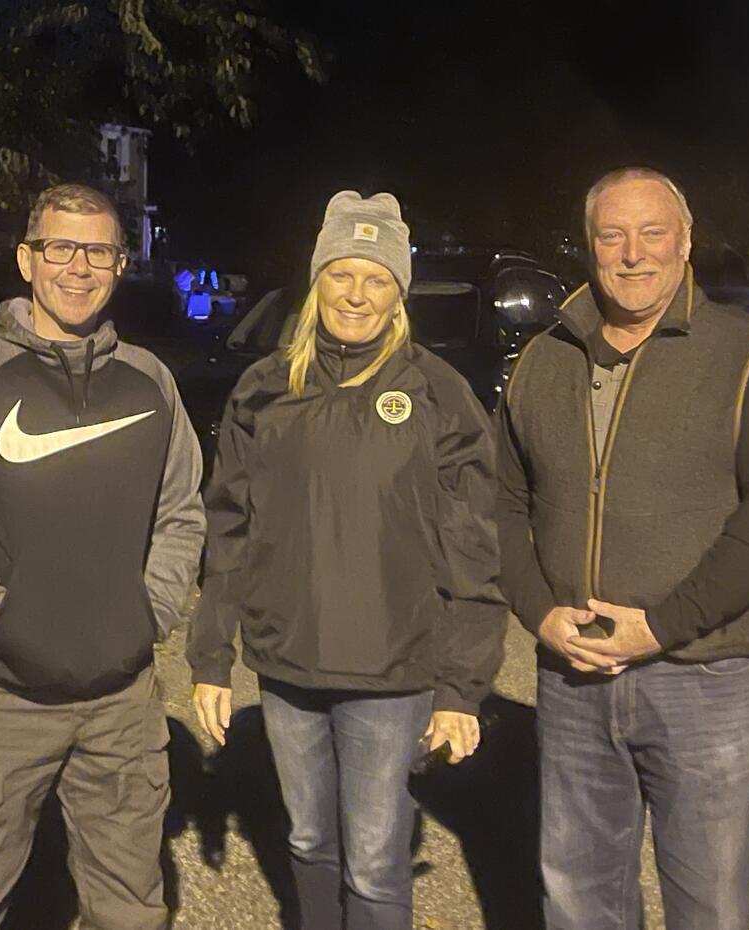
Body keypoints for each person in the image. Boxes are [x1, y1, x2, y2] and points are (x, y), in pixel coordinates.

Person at [188, 191, 505, 930]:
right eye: (341, 274)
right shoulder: (265, 389)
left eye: (376, 279)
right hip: (287, 665)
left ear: (398, 293)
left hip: (392, 674)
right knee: (306, 839)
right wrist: (210, 657)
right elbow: (228, 525)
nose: (355, 294)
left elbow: (474, 548)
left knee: (373, 859)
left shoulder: (438, 393)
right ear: (316, 279)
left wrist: (462, 687)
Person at [495, 167, 749, 930]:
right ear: (589, 247)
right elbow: (498, 502)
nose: (632, 254)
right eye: (612, 235)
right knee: (579, 895)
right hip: (574, 676)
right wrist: (538, 613)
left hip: (706, 678)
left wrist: (659, 626)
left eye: (652, 232)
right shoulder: (542, 359)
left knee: (708, 904)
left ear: (685, 242)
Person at [0, 183, 204, 929]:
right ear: (27, 260)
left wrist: (150, 614)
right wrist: (1, 622)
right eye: (60, 248)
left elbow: (183, 512)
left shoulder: (151, 383)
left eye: (98, 249)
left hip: (121, 702)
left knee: (130, 903)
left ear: (119, 262)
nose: (79, 267)